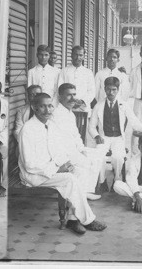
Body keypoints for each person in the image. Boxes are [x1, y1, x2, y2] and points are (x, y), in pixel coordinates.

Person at [18, 93, 107, 235]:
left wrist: (65, 163)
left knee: (79, 172)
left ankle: (72, 218)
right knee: (70, 179)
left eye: (50, 106)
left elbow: (57, 150)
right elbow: (29, 164)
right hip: (34, 175)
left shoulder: (50, 125)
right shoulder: (27, 130)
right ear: (34, 108)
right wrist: (57, 168)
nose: (47, 110)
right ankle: (88, 220)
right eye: (42, 106)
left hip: (50, 169)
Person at [89, 77, 142, 186]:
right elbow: (91, 126)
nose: (111, 92)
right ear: (104, 89)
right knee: (98, 156)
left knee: (118, 157)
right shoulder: (98, 105)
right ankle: (102, 182)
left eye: (114, 89)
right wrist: (96, 136)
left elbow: (135, 123)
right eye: (108, 89)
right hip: (104, 137)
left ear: (118, 90)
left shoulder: (124, 105)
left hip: (118, 138)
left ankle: (117, 180)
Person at [51, 83, 105, 200]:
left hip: (74, 150)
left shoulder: (70, 113)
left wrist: (81, 149)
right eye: (68, 95)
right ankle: (82, 193)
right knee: (87, 163)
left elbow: (76, 136)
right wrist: (75, 155)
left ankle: (86, 190)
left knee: (98, 155)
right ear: (60, 97)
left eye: (74, 94)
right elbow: (57, 142)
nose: (73, 98)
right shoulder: (56, 114)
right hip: (64, 154)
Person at [57, 45, 95, 113]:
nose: (78, 57)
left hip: (83, 107)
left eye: (80, 55)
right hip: (67, 106)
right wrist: (69, 101)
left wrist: (82, 101)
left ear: (83, 57)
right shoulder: (64, 71)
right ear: (71, 55)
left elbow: (92, 91)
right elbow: (60, 89)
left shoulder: (88, 72)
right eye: (76, 55)